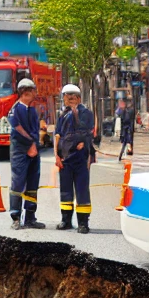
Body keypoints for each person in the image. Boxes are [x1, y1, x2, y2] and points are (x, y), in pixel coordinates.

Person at [55, 85, 98, 232]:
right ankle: (66, 220)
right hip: (65, 158)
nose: (68, 100)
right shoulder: (61, 114)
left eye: (71, 97)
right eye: (66, 97)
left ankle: (83, 223)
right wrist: (56, 155)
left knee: (82, 190)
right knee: (65, 190)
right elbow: (57, 135)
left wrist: (76, 114)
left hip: (81, 158)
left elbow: (87, 132)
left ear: (78, 98)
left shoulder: (86, 113)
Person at [6, 78, 45, 229]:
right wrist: (30, 145)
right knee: (18, 184)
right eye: (33, 91)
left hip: (34, 151)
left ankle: (30, 217)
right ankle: (15, 217)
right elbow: (18, 130)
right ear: (25, 93)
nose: (35, 94)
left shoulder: (32, 110)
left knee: (32, 185)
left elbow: (35, 130)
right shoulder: (16, 109)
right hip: (20, 152)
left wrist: (36, 144)